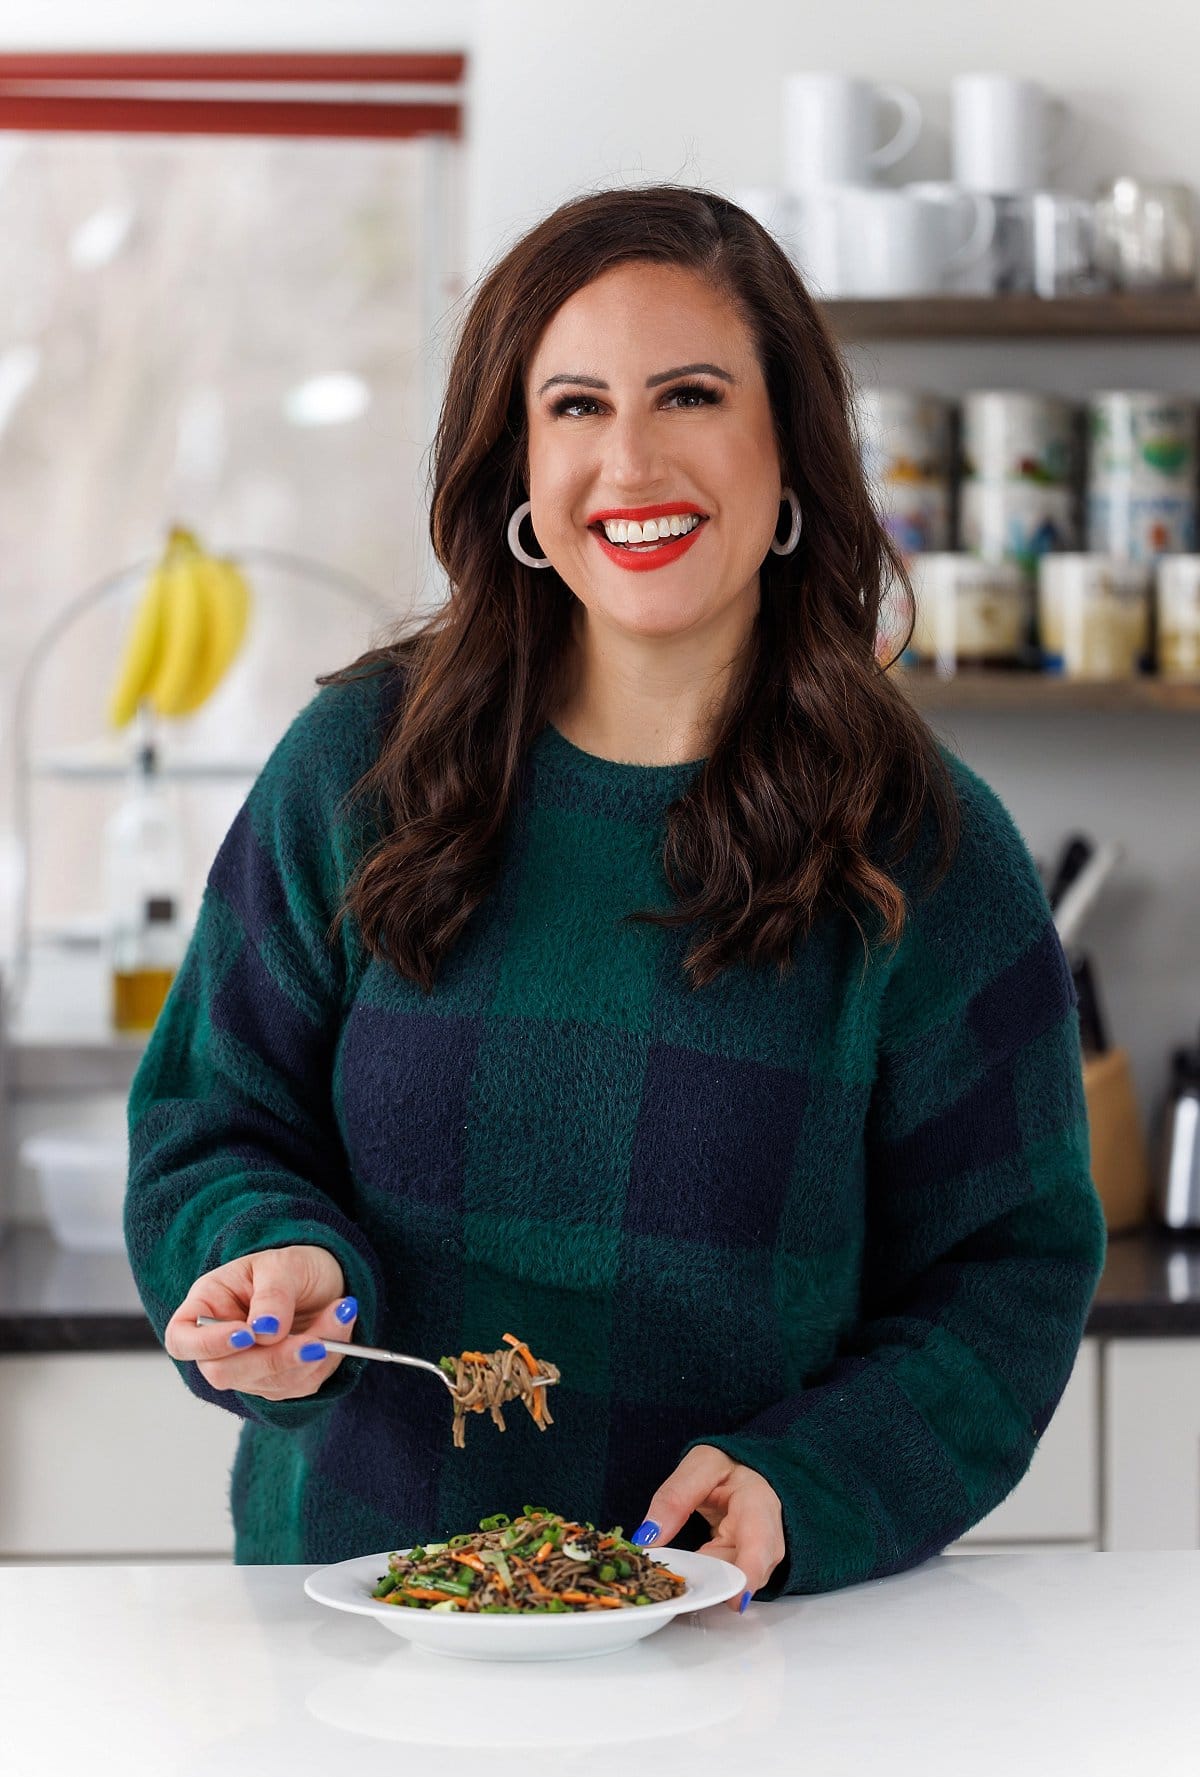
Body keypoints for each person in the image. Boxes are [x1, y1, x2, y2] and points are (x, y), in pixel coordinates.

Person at [125, 184, 1105, 1609]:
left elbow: (1008, 1273)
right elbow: (209, 1121)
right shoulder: (357, 769)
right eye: (574, 405)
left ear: (791, 452)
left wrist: (804, 1482)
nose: (630, 460)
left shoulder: (926, 848)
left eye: (691, 395)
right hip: (358, 1642)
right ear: (517, 464)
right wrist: (257, 1260)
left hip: (748, 1656)